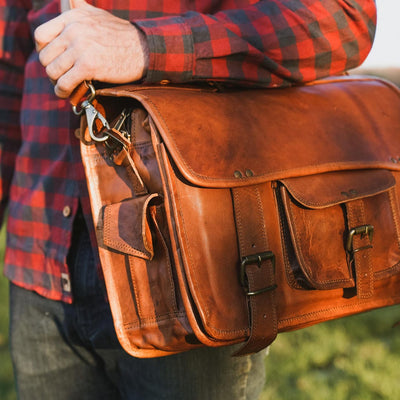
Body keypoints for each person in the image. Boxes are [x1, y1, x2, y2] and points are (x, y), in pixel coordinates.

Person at [0, 0, 376, 399]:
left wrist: (144, 47)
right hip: (39, 263)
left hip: (187, 270)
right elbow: (7, 75)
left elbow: (343, 19)